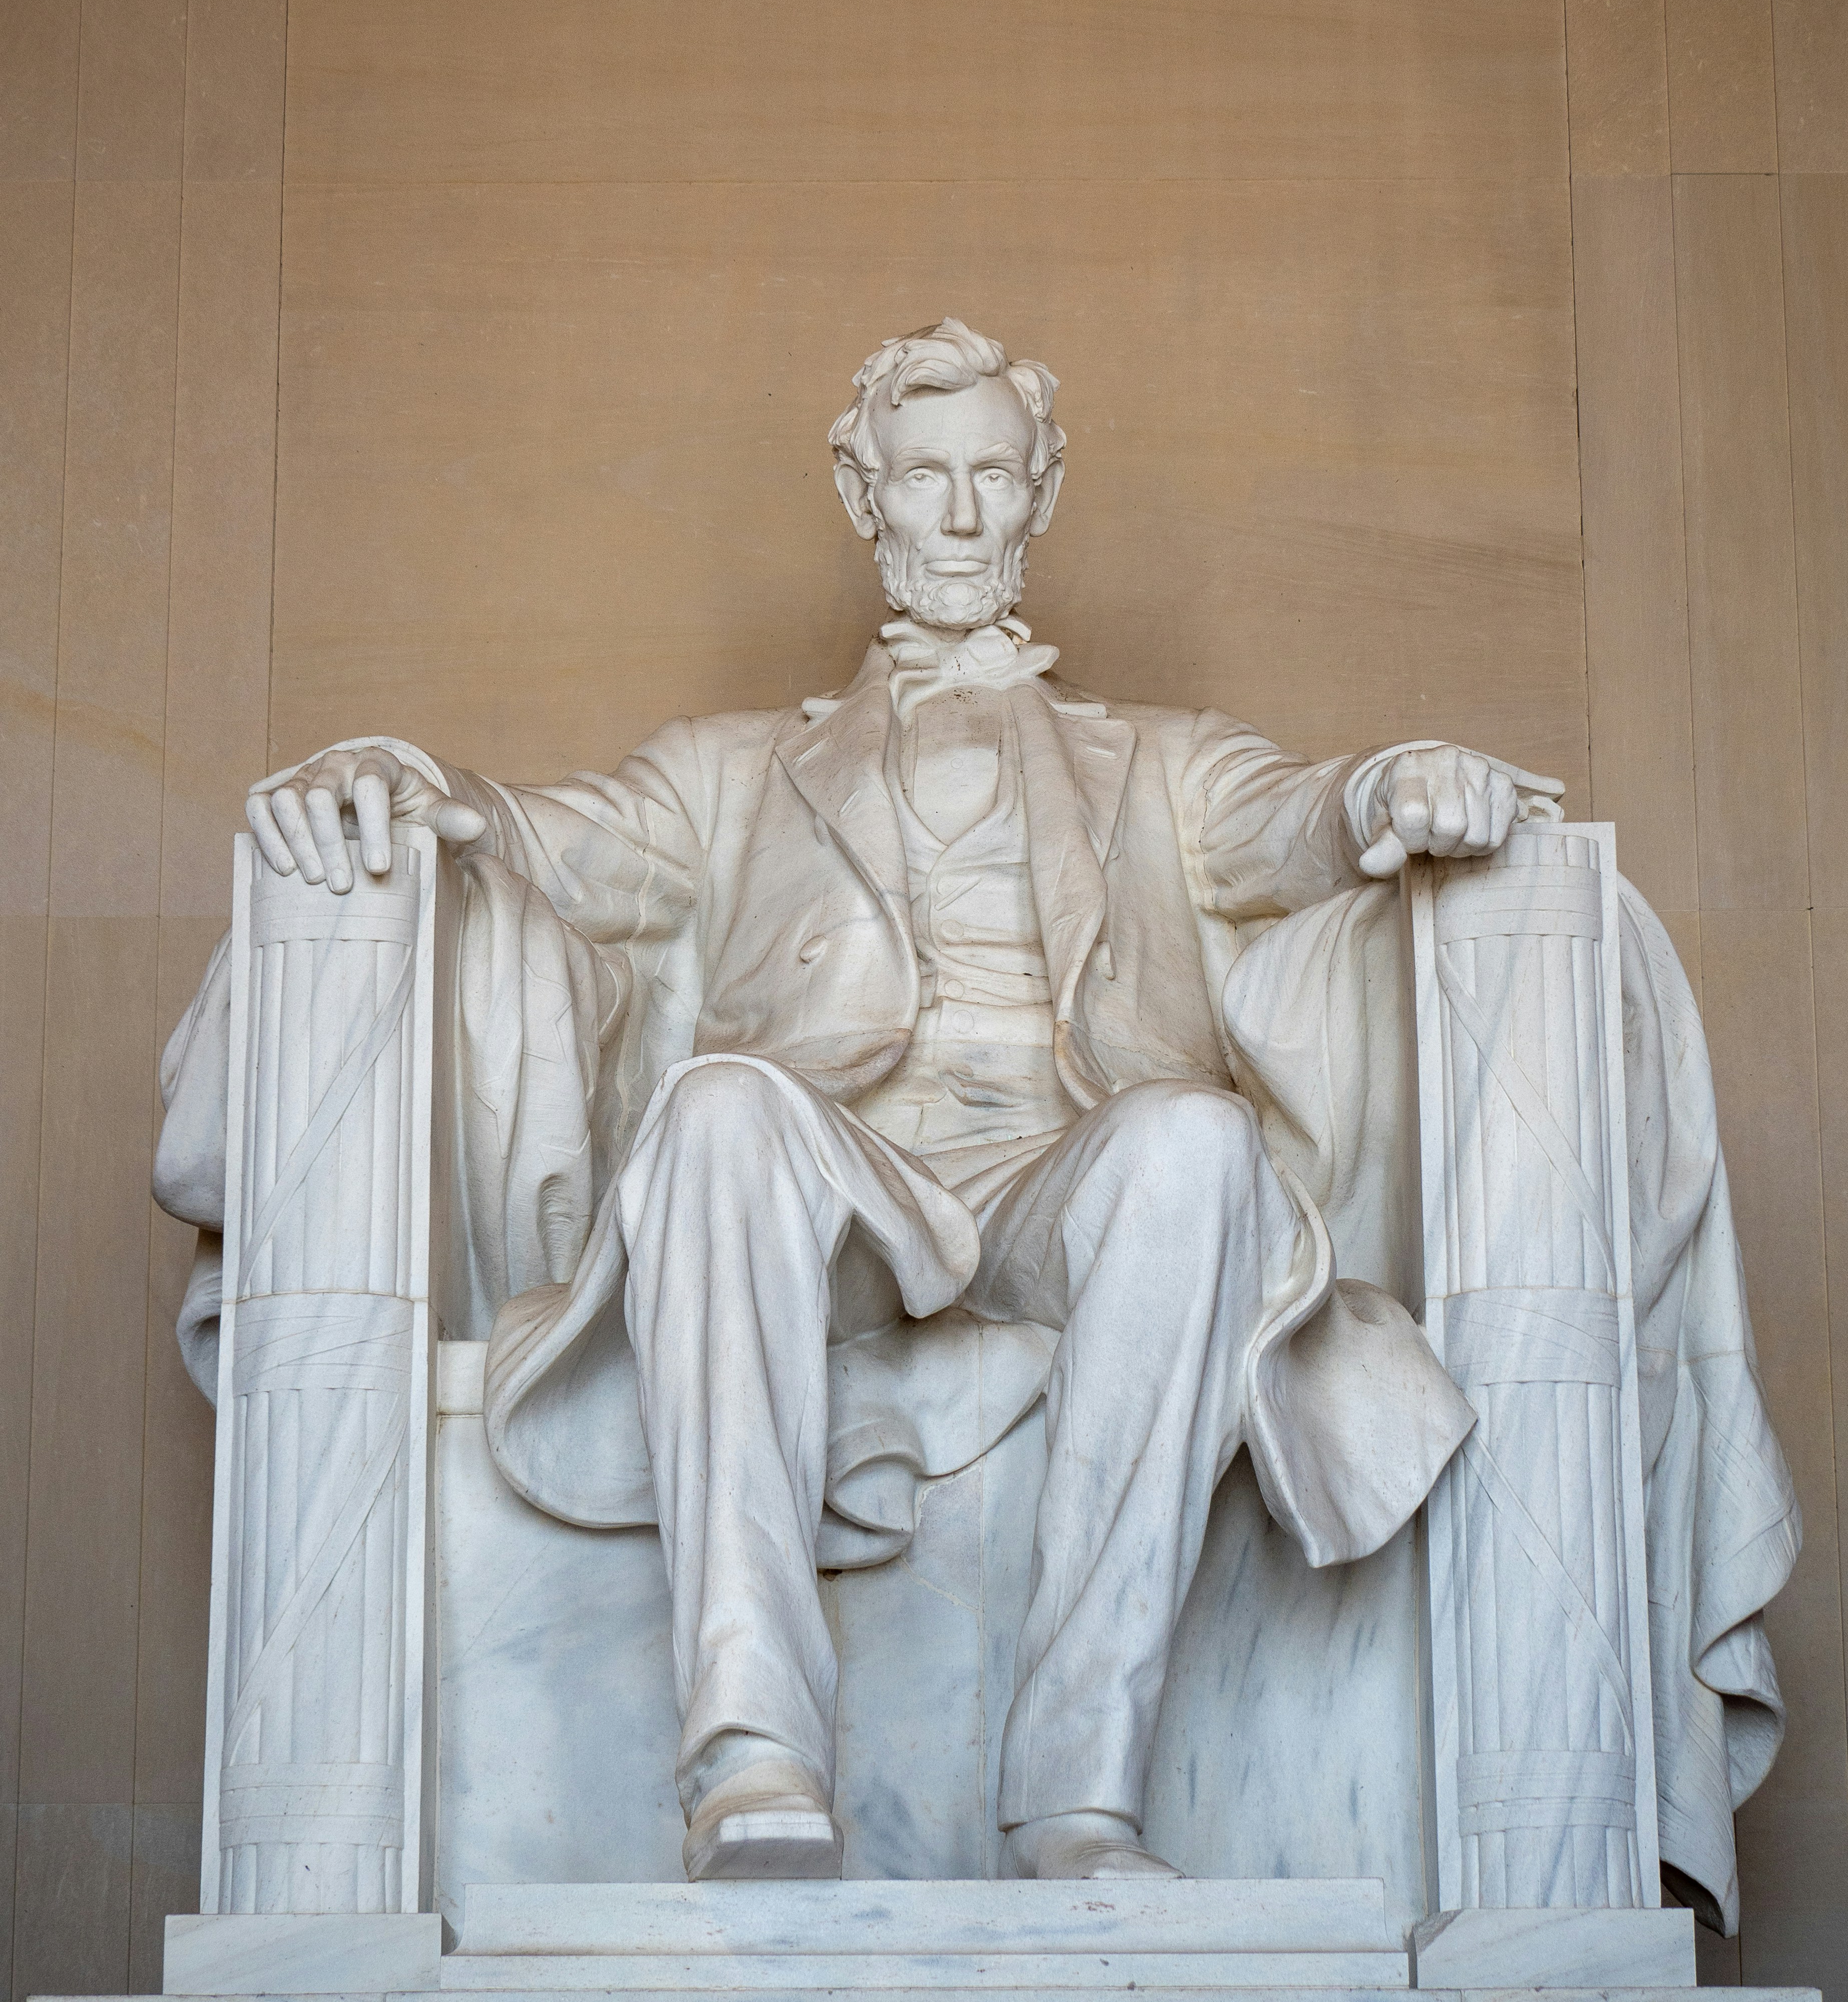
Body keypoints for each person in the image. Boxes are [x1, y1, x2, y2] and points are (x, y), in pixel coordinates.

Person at [189, 320, 1572, 1881]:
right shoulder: (728, 772)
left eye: (996, 476)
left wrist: (1399, 782)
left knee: (1196, 1136)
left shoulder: (1164, 764)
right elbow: (537, 838)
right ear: (867, 494)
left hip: (1067, 1178)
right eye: (928, 479)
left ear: (1044, 491)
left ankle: (1080, 1795)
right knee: (715, 1107)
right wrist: (397, 770)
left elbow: (1308, 821)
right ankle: (755, 1755)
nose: (965, 519)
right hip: (834, 1182)